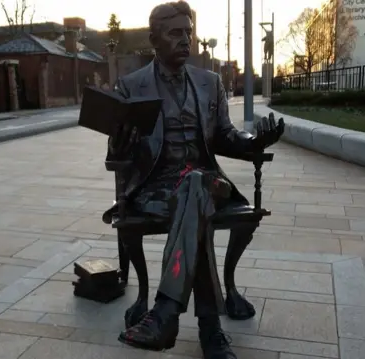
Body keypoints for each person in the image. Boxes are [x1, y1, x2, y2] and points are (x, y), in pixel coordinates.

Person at [103, 2, 284, 358]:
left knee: (197, 186)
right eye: (175, 33)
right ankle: (210, 330)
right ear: (154, 39)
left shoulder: (210, 83)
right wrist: (119, 144)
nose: (185, 39)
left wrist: (256, 141)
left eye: (189, 32)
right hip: (156, 188)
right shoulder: (131, 86)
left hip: (208, 183)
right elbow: (117, 154)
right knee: (194, 205)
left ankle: (166, 312)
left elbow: (226, 136)